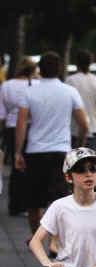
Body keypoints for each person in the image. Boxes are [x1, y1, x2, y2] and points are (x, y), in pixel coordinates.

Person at [15, 51, 88, 251]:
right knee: (60, 200)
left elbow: (21, 123)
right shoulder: (69, 92)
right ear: (60, 69)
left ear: (40, 69)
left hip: (35, 151)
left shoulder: (29, 92)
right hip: (61, 152)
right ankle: (57, 243)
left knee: (34, 201)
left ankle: (36, 238)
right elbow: (84, 124)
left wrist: (18, 152)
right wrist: (79, 145)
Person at [0, 57, 38, 215]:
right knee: (31, 166)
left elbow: (2, 112)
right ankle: (30, 204)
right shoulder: (36, 85)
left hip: (11, 127)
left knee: (16, 167)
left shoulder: (7, 85)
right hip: (31, 127)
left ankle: (15, 205)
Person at [66, 50, 96, 149]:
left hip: (74, 133)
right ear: (90, 63)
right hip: (93, 132)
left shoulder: (70, 81)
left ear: (77, 63)